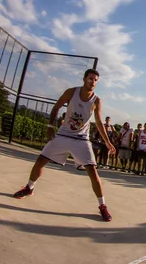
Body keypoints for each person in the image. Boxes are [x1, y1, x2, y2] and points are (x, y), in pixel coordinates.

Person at [13, 69, 115, 222]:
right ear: (84, 79)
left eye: (95, 80)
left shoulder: (96, 100)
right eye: (90, 79)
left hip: (81, 139)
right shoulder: (71, 92)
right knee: (40, 161)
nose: (92, 82)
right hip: (63, 134)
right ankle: (29, 188)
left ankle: (102, 206)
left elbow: (99, 122)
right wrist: (49, 127)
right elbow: (56, 107)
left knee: (92, 171)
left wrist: (107, 142)